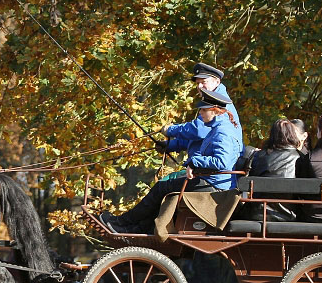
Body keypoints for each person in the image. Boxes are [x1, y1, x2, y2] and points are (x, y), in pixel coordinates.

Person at [101, 89, 242, 233]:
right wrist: (172, 146)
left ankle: (123, 223)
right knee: (164, 188)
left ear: (216, 111)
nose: (200, 113)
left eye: (203, 110)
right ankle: (134, 227)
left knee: (163, 187)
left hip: (214, 185)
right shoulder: (217, 128)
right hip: (209, 179)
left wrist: (194, 162)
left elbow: (221, 162)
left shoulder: (222, 132)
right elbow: (197, 146)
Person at [161, 62, 242, 158]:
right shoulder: (211, 99)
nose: (199, 87)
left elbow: (198, 130)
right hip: (202, 164)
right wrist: (171, 145)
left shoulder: (219, 102)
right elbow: (202, 137)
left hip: (211, 168)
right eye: (197, 83)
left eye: (203, 82)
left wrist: (170, 130)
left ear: (216, 81)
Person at [243, 119, 303, 222]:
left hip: (257, 213)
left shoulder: (259, 156)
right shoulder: (299, 158)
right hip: (289, 215)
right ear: (292, 135)